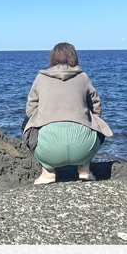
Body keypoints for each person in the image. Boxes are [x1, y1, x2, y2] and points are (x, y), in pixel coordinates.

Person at [23, 42, 113, 185]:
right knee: (99, 123)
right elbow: (97, 108)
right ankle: (84, 168)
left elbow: (30, 110)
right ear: (74, 57)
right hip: (84, 148)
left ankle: (48, 172)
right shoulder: (83, 77)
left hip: (48, 150)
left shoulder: (40, 77)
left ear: (52, 58)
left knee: (26, 123)